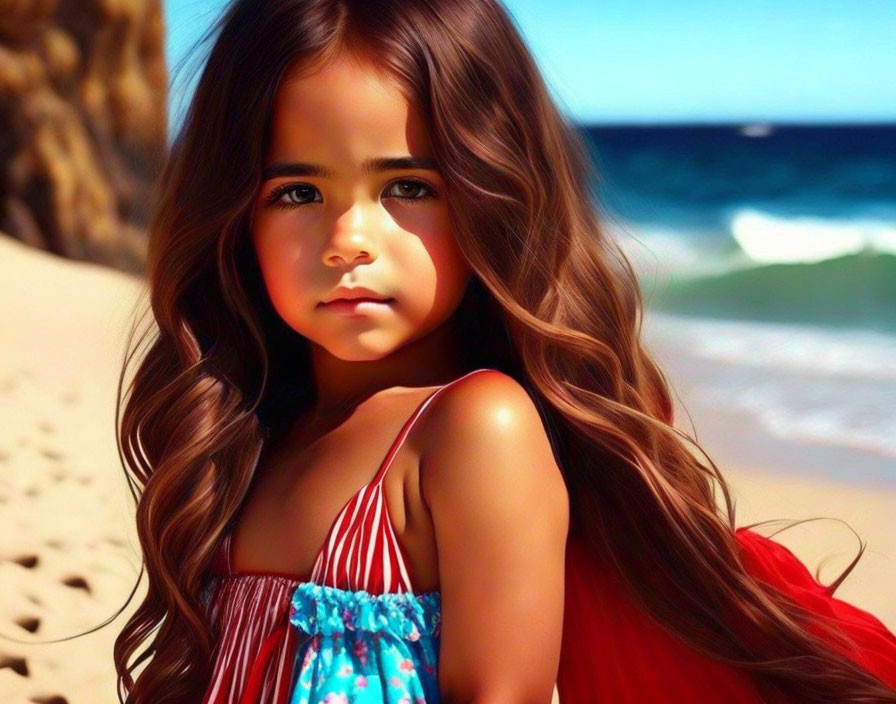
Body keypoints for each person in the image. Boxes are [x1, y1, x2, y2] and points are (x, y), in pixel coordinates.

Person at [107, 0, 896, 702]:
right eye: (298, 193)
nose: (348, 240)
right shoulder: (252, 439)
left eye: (409, 187)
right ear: (237, 215)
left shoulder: (473, 430)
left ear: (494, 194)